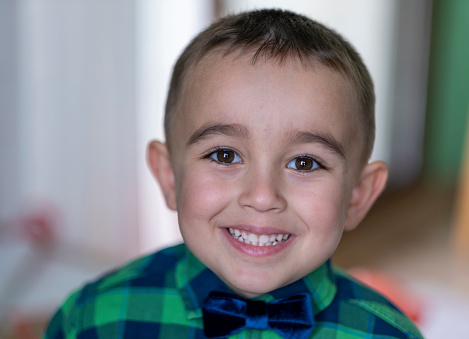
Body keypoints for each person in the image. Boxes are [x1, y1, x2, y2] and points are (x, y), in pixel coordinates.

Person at [44, 9, 423, 338]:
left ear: (357, 195)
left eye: (304, 162)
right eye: (225, 155)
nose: (261, 196)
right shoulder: (92, 320)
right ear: (169, 176)